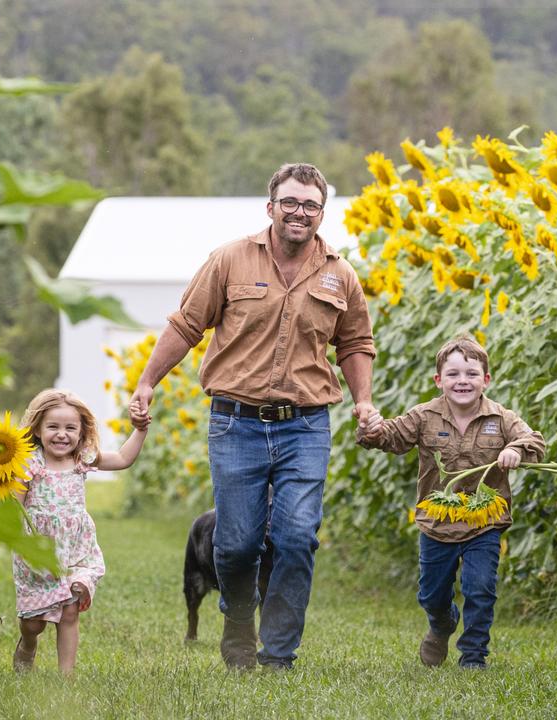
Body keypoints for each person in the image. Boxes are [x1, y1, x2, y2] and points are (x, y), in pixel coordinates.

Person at [128, 163, 378, 671]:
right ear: (270, 207)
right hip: (235, 422)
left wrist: (364, 402)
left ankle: (279, 652)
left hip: (306, 425)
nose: (299, 213)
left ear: (321, 213)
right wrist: (146, 381)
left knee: (297, 536)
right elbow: (186, 325)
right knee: (237, 541)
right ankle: (239, 619)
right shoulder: (229, 260)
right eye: (290, 202)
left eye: (310, 205)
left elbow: (355, 343)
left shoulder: (340, 274)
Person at [358, 336, 545, 669]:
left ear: (486, 380)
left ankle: (473, 655)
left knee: (480, 586)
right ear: (439, 380)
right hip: (437, 523)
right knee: (431, 594)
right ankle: (441, 623)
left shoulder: (500, 418)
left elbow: (532, 439)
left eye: (472, 374)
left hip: (484, 520)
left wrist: (516, 450)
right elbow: (391, 436)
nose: (463, 381)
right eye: (454, 374)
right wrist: (372, 430)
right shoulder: (424, 416)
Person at [11, 389, 149, 674]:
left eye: (70, 428)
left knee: (70, 608)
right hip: (40, 553)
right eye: (53, 427)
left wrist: (140, 430)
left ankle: (67, 677)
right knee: (33, 622)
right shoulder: (30, 463)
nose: (62, 434)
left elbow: (123, 458)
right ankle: (27, 643)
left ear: (81, 432)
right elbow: (14, 507)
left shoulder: (81, 459)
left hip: (76, 550)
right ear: (37, 428)